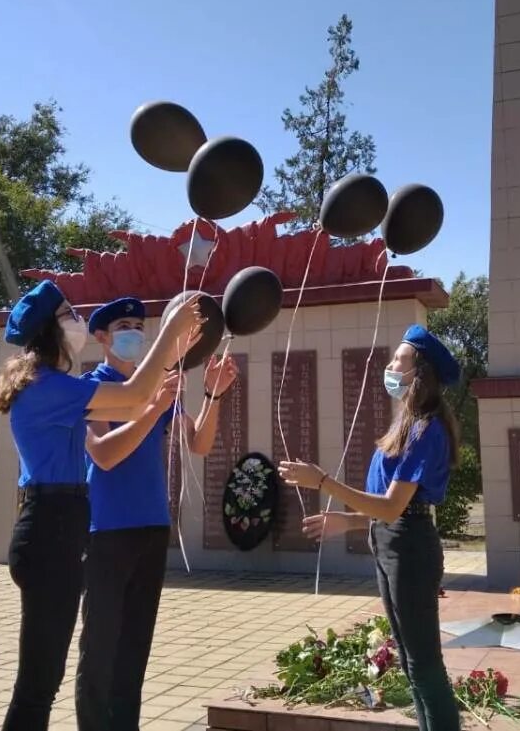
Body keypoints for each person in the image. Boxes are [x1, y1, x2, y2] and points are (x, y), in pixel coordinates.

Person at [0, 280, 205, 731]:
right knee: (37, 685)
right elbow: (130, 400)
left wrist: (173, 354)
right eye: (69, 315)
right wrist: (168, 334)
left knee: (43, 679)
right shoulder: (49, 387)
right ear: (51, 330)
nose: (78, 323)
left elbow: (133, 407)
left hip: (58, 527)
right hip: (50, 531)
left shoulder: (55, 386)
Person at [279, 324, 463, 731]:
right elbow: (395, 510)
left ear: (421, 373)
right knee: (410, 659)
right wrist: (347, 522)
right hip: (392, 542)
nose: (391, 366)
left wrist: (322, 482)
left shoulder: (426, 429)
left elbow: (396, 507)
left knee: (424, 663)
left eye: (400, 359)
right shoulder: (407, 425)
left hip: (409, 549)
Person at [75, 296, 239, 731]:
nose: (135, 332)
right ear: (103, 337)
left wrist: (213, 394)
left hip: (151, 528)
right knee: (100, 649)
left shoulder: (156, 386)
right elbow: (104, 454)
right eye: (124, 326)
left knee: (134, 651)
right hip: (105, 531)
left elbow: (199, 443)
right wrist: (150, 410)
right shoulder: (93, 385)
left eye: (138, 325)